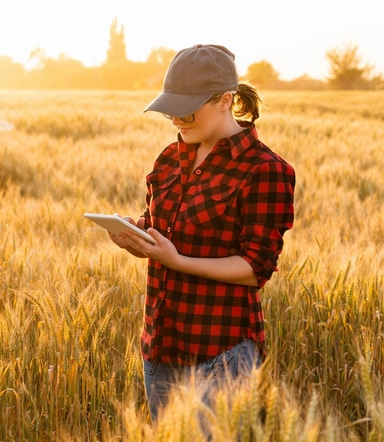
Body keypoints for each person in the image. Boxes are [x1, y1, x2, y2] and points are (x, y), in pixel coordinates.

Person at [107, 44, 295, 425]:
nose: (177, 118)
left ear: (226, 100)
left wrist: (176, 261)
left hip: (221, 351)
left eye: (187, 109)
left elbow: (254, 268)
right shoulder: (168, 158)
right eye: (170, 109)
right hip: (161, 345)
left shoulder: (264, 169)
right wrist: (137, 235)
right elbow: (162, 226)